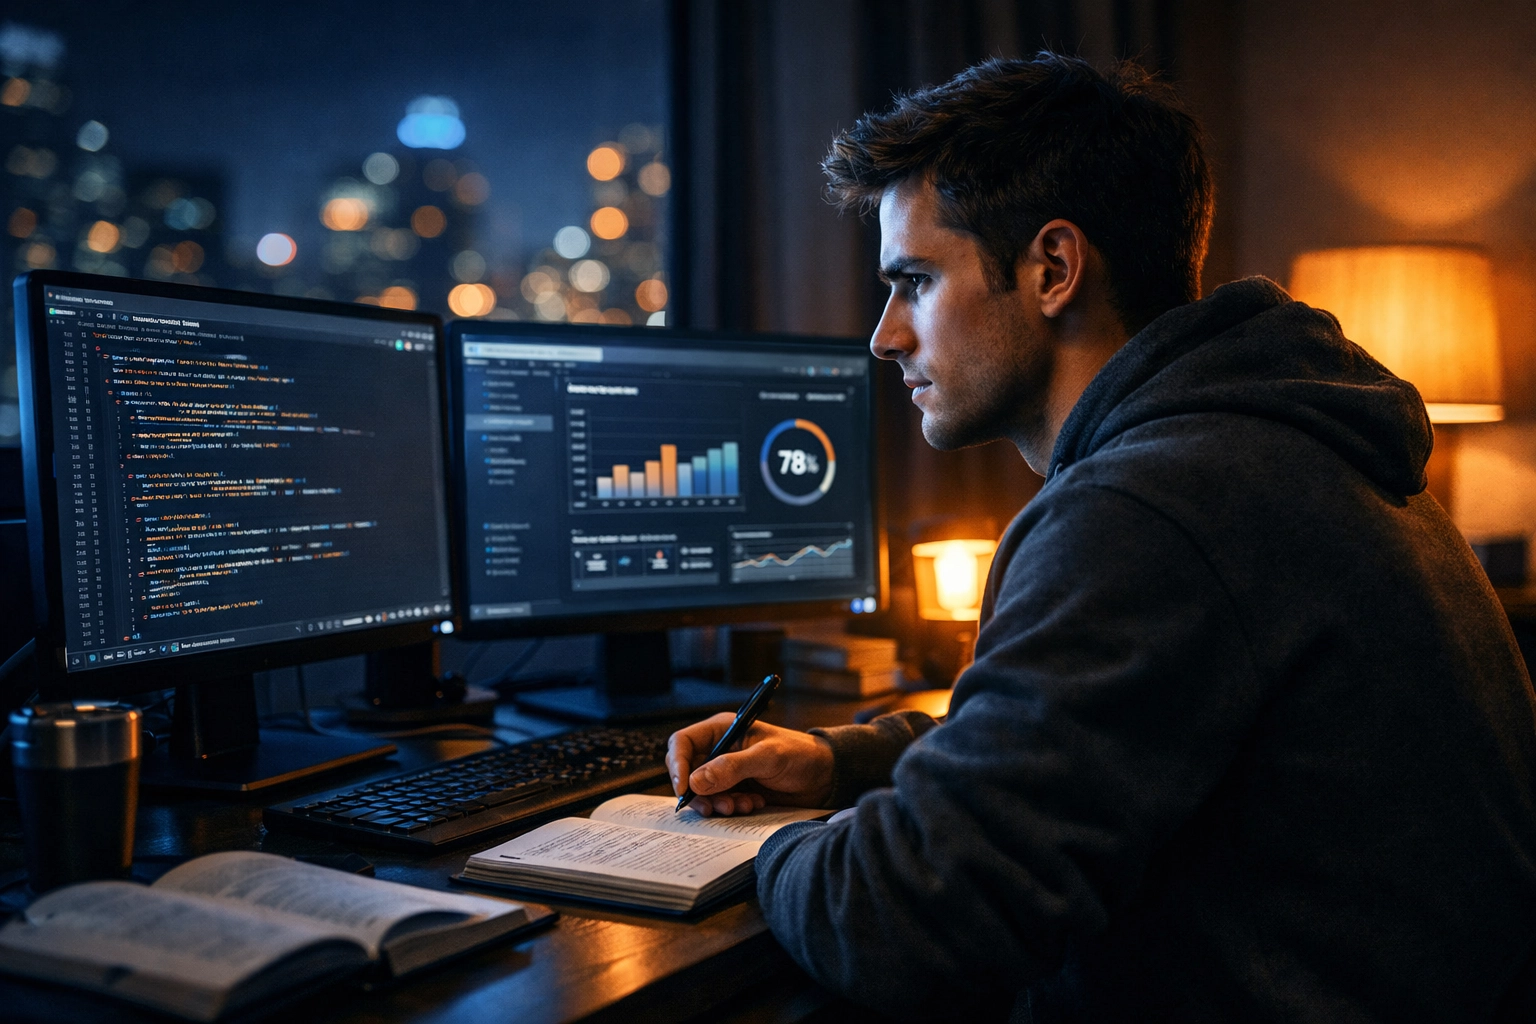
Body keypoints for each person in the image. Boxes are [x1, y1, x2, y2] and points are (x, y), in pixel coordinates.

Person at [665, 54, 1536, 1022]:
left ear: (1052, 269)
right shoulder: (1281, 447)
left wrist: (761, 849)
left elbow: (906, 914)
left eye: (912, 281)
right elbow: (1136, 737)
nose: (883, 336)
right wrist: (842, 765)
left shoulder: (1148, 508)